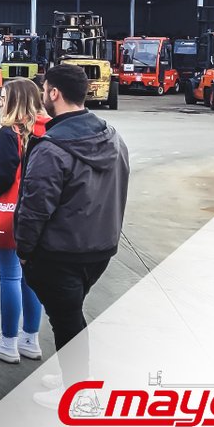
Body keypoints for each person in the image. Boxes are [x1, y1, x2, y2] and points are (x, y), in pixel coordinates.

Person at [15, 64, 129, 409]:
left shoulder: (52, 147)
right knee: (70, 314)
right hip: (99, 247)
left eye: (45, 89)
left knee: (68, 322)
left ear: (54, 93)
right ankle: (72, 376)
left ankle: (80, 391)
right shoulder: (111, 135)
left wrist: (24, 249)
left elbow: (35, 206)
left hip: (61, 253)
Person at [0, 78, 48, 364]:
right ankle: (30, 339)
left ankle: (8, 342)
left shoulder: (8, 133)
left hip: (10, 215)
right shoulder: (49, 130)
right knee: (32, 278)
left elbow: (2, 175)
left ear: (15, 101)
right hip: (40, 215)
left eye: (4, 96)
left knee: (10, 276)